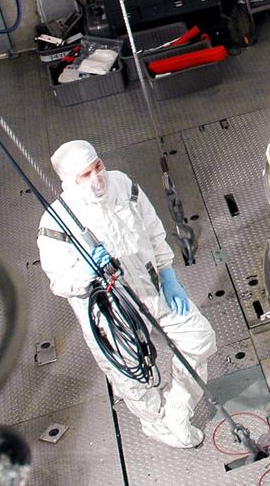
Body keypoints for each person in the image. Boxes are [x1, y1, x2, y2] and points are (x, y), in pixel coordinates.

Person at [36, 140, 216, 449]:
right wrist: (88, 271)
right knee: (135, 379)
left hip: (152, 287)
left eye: (98, 167)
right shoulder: (56, 224)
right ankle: (157, 423)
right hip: (112, 313)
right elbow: (61, 283)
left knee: (199, 338)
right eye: (85, 175)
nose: (97, 179)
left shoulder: (122, 184)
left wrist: (167, 273)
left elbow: (153, 229)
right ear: (69, 181)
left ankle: (177, 408)